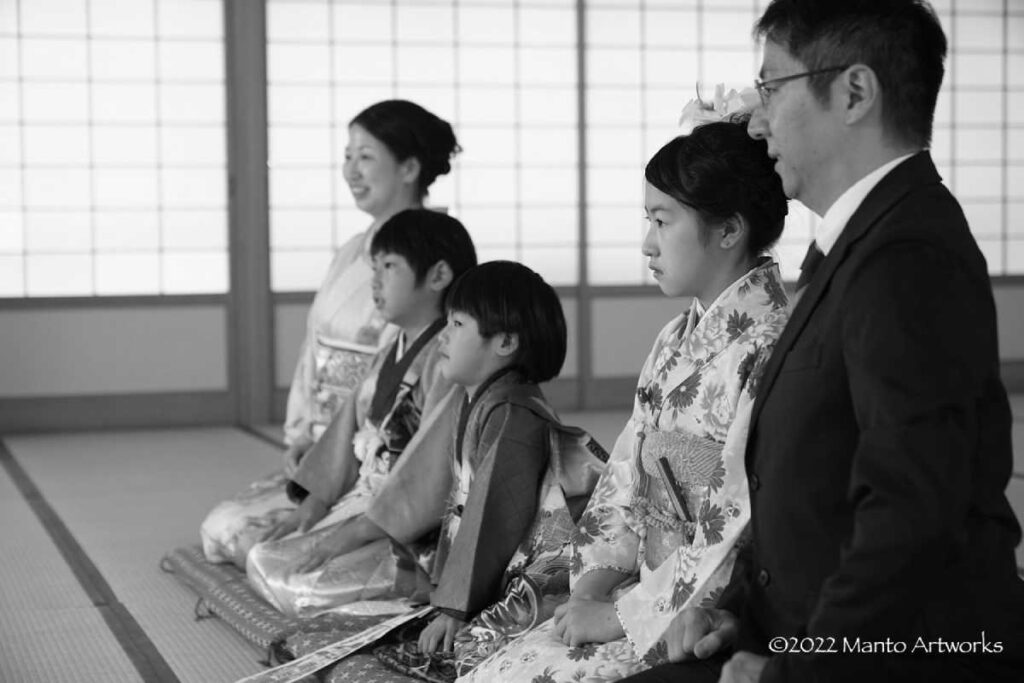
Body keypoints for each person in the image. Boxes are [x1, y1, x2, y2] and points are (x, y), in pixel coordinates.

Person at [630, 2, 1024, 682]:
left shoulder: (907, 253)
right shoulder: (859, 239)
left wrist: (796, 666)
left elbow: (912, 508)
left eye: (772, 88)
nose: (756, 120)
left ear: (854, 93)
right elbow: (819, 494)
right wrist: (744, 618)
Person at [459, 115, 791, 683]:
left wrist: (618, 615)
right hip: (638, 587)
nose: (647, 242)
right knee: (481, 657)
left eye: (662, 220)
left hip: (698, 611)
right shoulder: (672, 339)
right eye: (648, 219)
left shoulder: (769, 347)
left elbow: (737, 521)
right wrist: (590, 589)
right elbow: (622, 480)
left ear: (730, 228)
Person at [200, 100, 460, 567]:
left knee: (260, 547)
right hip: (328, 448)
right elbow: (313, 349)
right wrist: (301, 433)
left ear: (409, 167)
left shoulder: (433, 255)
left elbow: (406, 387)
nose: (350, 170)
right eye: (347, 156)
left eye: (365, 156)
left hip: (381, 459)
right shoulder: (350, 252)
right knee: (223, 528)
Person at [244, 209, 476, 617]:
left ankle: (410, 592)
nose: (375, 281)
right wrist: (316, 502)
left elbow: (430, 471)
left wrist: (355, 532)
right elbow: (346, 433)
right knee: (263, 555)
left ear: (438, 276)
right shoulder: (392, 349)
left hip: (408, 528)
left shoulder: (448, 359)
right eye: (375, 267)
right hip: (366, 501)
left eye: (389, 266)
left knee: (292, 582)